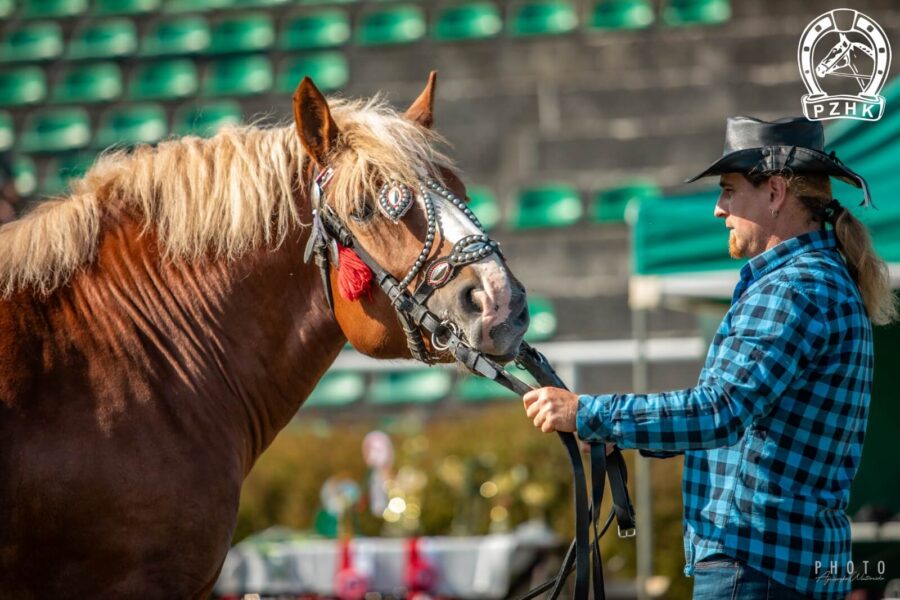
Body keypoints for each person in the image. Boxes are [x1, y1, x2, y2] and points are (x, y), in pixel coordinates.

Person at [522, 116, 896, 600]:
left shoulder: (793, 288)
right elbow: (737, 424)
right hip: (784, 564)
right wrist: (613, 430)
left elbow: (718, 411)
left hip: (757, 567)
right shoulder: (819, 279)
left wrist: (588, 413)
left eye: (728, 190)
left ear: (776, 192)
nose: (719, 209)